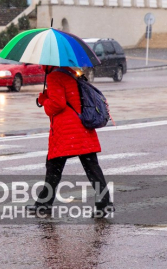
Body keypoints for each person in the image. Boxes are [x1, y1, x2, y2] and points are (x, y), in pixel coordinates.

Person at [32, 65, 114, 218]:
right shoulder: (70, 73)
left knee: (53, 168)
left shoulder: (54, 76)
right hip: (82, 127)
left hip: (66, 131)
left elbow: (57, 104)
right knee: (92, 168)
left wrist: (44, 100)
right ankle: (105, 203)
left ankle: (44, 204)